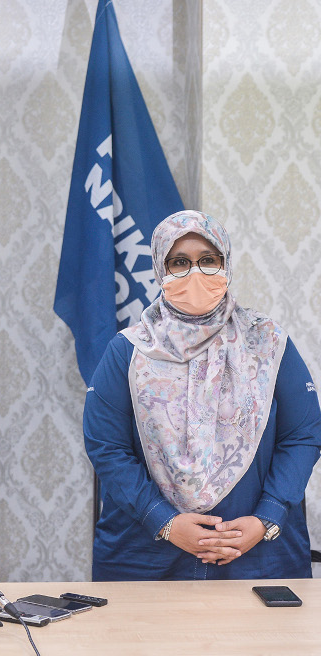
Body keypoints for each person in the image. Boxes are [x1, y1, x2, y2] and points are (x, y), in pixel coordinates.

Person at [84, 210, 321, 580]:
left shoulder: (268, 343)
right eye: (180, 262)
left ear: (225, 263)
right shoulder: (129, 350)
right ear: (161, 271)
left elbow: (303, 435)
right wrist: (163, 521)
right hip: (149, 552)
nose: (196, 273)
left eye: (208, 260)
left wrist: (267, 517)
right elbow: (106, 445)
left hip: (254, 552)